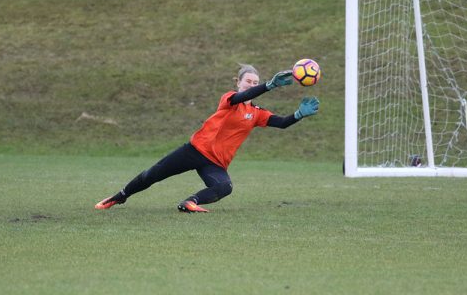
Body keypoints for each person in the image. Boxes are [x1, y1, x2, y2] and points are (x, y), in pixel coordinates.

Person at [94, 64, 320, 213]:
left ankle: (190, 202)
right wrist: (269, 85)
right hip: (195, 150)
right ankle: (118, 197)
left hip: (215, 162)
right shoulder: (229, 98)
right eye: (249, 81)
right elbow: (245, 96)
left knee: (224, 186)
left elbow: (281, 123)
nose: (251, 84)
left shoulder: (257, 113)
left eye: (255, 81)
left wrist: (299, 115)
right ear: (238, 82)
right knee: (152, 174)